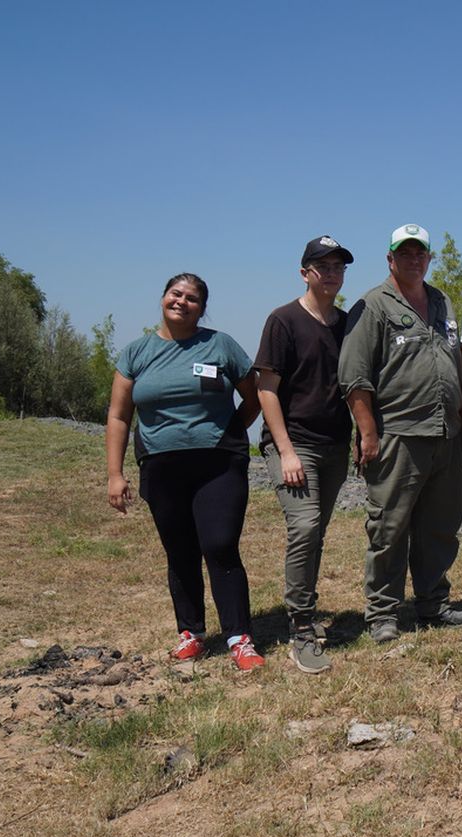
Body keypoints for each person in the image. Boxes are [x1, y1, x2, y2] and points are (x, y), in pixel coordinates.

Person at [105, 273, 265, 672]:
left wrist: (228, 432)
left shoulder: (220, 345)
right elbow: (119, 415)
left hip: (218, 462)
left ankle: (239, 637)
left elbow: (253, 396)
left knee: (220, 544)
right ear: (162, 298)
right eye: (176, 294)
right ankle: (190, 633)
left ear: (201, 307)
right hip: (160, 465)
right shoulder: (135, 353)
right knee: (179, 552)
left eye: (192, 298)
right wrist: (115, 473)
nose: (182, 302)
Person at [338, 224, 462, 644]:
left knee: (441, 522)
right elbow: (355, 377)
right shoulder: (373, 306)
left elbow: (458, 363)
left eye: (420, 253)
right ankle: (383, 611)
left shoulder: (442, 301)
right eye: (405, 253)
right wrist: (367, 434)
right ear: (390, 259)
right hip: (397, 434)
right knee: (390, 527)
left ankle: (433, 602)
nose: (414, 259)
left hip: (445, 434)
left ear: (429, 258)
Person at [254, 235, 356, 673]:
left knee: (317, 531)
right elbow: (266, 388)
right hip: (294, 444)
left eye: (338, 266)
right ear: (304, 272)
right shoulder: (283, 320)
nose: (330, 273)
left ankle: (303, 606)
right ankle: (301, 626)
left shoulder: (347, 323)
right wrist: (286, 450)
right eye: (322, 266)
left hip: (334, 445)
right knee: (306, 525)